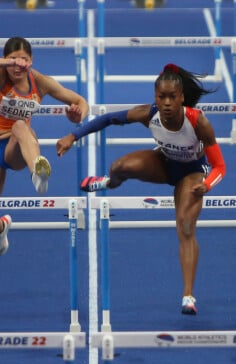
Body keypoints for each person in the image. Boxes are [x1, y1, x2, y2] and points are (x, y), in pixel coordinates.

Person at [56, 63, 226, 315]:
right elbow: (108, 119)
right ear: (155, 97)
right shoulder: (148, 114)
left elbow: (220, 166)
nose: (167, 103)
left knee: (186, 226)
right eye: (161, 97)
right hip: (164, 163)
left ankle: (188, 296)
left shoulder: (198, 123)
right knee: (119, 166)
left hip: (191, 174)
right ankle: (106, 183)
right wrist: (73, 136)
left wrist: (207, 184)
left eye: (172, 97)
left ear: (181, 98)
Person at [0, 36, 89, 257]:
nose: (19, 64)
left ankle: (37, 170)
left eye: (23, 59)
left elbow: (81, 102)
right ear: (5, 60)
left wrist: (77, 116)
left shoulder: (40, 82)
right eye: (13, 59)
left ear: (31, 60)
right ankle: (1, 226)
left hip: (19, 145)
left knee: (20, 126)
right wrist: (8, 63)